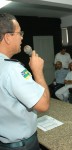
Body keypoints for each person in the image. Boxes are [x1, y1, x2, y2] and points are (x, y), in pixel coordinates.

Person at [0, 13, 50, 150]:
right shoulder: (12, 69)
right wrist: (38, 72)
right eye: (19, 33)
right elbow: (43, 105)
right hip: (21, 146)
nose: (22, 37)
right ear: (8, 37)